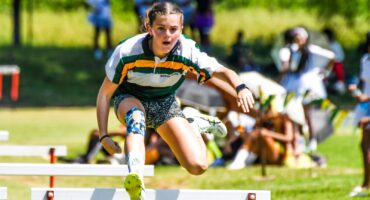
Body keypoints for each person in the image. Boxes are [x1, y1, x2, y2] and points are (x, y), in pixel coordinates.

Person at [96, 2, 255, 199]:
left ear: (181, 29)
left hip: (164, 103)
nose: (167, 35)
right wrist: (103, 135)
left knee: (198, 166)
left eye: (173, 29)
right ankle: (136, 178)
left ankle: (192, 122)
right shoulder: (127, 52)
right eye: (161, 29)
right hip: (130, 97)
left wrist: (241, 87)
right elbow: (104, 94)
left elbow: (222, 71)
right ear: (149, 28)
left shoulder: (187, 51)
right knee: (135, 118)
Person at [278, 27, 336, 152]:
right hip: (293, 83)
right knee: (294, 112)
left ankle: (312, 139)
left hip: (307, 84)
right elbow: (287, 66)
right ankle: (300, 139)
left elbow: (332, 57)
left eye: (300, 38)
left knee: (307, 113)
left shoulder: (311, 49)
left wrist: (324, 72)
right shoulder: (291, 50)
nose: (298, 41)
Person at [349, 37, 370, 197]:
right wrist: (356, 88)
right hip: (366, 106)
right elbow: (364, 81)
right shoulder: (366, 60)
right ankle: (366, 183)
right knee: (364, 146)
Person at [322, 27, 346, 95]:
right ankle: (323, 83)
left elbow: (341, 57)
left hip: (334, 66)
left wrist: (332, 59)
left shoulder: (335, 45)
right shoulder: (321, 45)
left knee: (339, 65)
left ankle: (340, 84)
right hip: (324, 66)